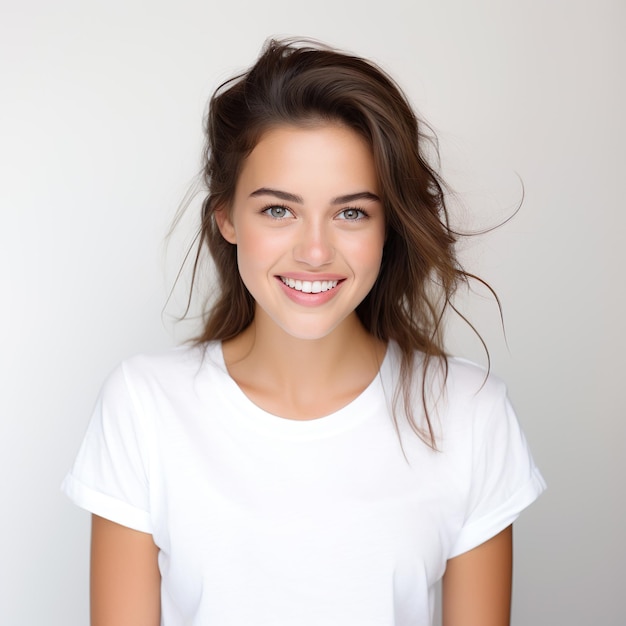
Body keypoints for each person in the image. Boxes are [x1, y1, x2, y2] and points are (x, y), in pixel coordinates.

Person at [62, 38, 546, 626]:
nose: (315, 251)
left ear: (388, 226)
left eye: (351, 213)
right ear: (227, 218)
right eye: (278, 210)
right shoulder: (143, 406)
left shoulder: (470, 414)